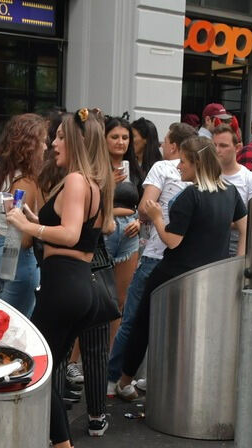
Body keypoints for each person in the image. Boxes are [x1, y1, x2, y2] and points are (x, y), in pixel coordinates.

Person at [5, 108, 113, 448]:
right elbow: (75, 231)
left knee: (34, 364)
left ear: (77, 142)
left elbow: (68, 235)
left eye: (60, 137)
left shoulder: (79, 182)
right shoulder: (88, 183)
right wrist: (35, 219)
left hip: (65, 285)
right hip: (71, 284)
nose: (53, 143)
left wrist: (26, 225)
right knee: (44, 368)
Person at [114, 136, 247, 398]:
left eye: (183, 162)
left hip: (174, 276)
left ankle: (124, 381)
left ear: (197, 163)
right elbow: (244, 226)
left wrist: (156, 217)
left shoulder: (190, 195)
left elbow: (172, 241)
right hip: (213, 275)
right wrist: (238, 262)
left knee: (144, 324)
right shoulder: (229, 191)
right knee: (195, 333)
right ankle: (185, 383)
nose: (178, 168)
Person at [106, 122, 197, 399]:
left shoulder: (162, 167)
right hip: (187, 261)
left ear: (174, 146)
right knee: (173, 324)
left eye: (165, 141)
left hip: (157, 252)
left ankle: (112, 380)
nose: (161, 146)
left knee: (133, 318)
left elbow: (145, 207)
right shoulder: (206, 177)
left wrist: (149, 216)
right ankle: (155, 379)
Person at [0, 113, 48, 317]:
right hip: (18, 255)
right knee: (13, 325)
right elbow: (25, 236)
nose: (46, 148)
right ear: (30, 145)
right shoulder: (25, 181)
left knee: (6, 318)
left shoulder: (4, 172)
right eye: (43, 142)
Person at [104, 115, 143, 340]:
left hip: (130, 232)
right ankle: (74, 360)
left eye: (125, 137)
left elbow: (142, 204)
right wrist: (109, 182)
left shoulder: (134, 168)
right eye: (115, 137)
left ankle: (111, 360)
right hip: (104, 231)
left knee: (120, 301)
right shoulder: (96, 167)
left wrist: (138, 221)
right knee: (96, 299)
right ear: (105, 139)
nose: (121, 142)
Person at [212, 124, 252, 256]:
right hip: (208, 245)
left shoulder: (250, 180)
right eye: (214, 145)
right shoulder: (206, 176)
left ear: (238, 148)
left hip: (237, 246)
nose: (217, 150)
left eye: (223, 146)